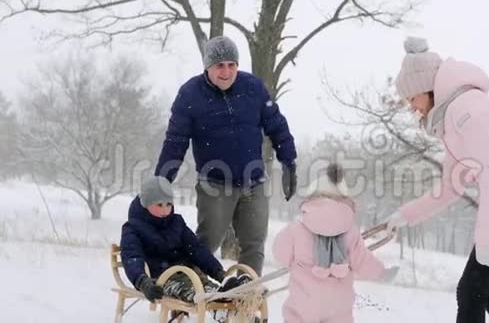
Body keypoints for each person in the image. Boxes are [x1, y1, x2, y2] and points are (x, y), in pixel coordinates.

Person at [384, 37, 489, 323]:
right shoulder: (453, 117)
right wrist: (406, 215)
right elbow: (452, 185)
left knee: (471, 291)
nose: (411, 107)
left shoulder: (467, 110)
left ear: (426, 88)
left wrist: (487, 239)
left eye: (411, 98)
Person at [154, 36, 298, 276]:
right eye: (220, 65)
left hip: (254, 184)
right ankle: (190, 292)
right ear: (207, 66)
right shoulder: (190, 95)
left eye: (232, 64)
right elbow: (175, 142)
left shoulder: (253, 88)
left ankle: (245, 300)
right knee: (205, 245)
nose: (226, 71)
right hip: (215, 185)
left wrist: (289, 162)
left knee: (254, 245)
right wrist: (161, 181)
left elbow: (277, 126)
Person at [273, 163, 386, 323]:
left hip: (304, 305)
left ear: (312, 198)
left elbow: (280, 254)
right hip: (338, 308)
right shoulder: (351, 234)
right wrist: (381, 272)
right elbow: (362, 260)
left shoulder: (295, 231)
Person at [120, 176, 229, 304]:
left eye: (169, 204)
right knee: (197, 294)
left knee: (209, 288)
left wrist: (217, 271)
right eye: (159, 205)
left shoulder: (177, 223)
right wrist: (142, 281)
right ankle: (215, 303)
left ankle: (232, 308)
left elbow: (196, 248)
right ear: (146, 204)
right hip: (161, 278)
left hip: (189, 272)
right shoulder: (133, 228)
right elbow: (132, 256)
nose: (164, 210)